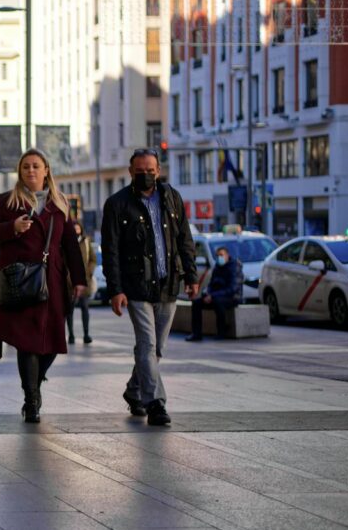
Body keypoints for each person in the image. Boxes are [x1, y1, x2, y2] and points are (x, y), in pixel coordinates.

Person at [0, 149, 87, 423]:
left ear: (46, 170)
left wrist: (79, 280)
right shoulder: (6, 201)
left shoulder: (59, 203)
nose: (30, 171)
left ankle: (35, 384)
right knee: (27, 344)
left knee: (51, 343)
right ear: (20, 171)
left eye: (35, 166)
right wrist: (12, 227)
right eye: (26, 166)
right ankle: (31, 400)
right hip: (19, 281)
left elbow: (71, 246)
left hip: (51, 282)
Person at [101, 148, 198, 427]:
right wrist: (116, 289)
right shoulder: (117, 204)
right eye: (140, 170)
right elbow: (111, 252)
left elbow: (184, 240)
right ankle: (155, 403)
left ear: (159, 170)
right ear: (131, 172)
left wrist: (191, 277)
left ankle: (134, 391)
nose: (146, 174)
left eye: (151, 170)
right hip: (135, 287)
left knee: (157, 348)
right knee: (147, 343)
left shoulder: (172, 198)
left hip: (168, 284)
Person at [187, 246, 243, 341]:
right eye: (217, 255)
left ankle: (221, 332)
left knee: (218, 302)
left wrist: (213, 296)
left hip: (232, 297)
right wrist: (207, 294)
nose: (219, 257)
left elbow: (232, 288)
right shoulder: (217, 267)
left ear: (227, 255)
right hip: (215, 296)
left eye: (221, 255)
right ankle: (196, 334)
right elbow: (211, 284)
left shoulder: (234, 267)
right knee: (196, 303)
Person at [66, 223, 98, 345]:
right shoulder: (67, 242)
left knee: (85, 307)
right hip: (70, 283)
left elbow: (93, 259)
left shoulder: (86, 242)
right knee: (70, 310)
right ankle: (71, 335)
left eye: (78, 228)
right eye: (74, 229)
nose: (77, 231)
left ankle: (86, 334)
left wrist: (89, 271)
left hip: (85, 281)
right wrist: (68, 277)